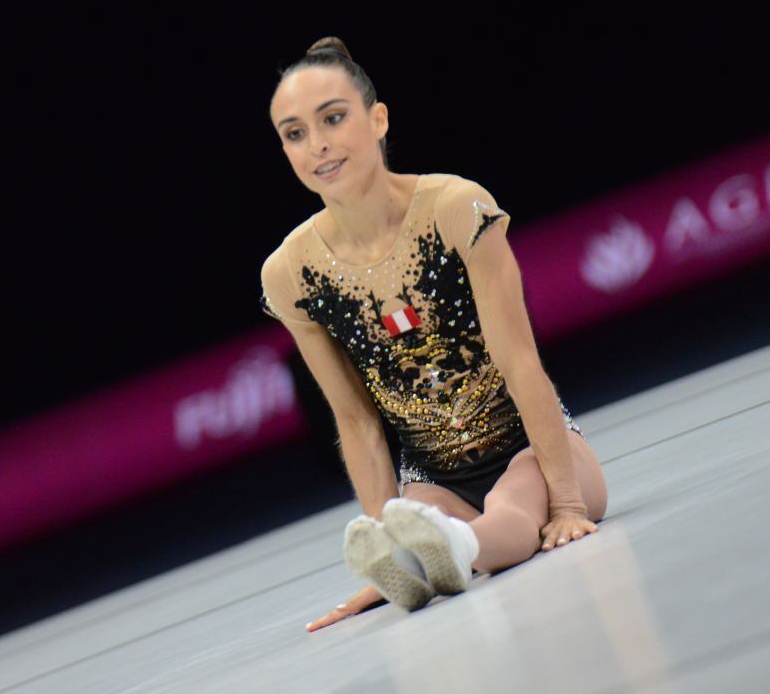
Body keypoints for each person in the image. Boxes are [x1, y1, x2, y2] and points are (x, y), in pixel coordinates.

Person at [259, 36, 609, 634]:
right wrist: (385, 540)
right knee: (418, 527)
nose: (316, 144)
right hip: (434, 480)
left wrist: (569, 504)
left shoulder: (455, 206)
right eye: (294, 133)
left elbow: (519, 359)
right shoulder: (291, 272)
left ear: (377, 119)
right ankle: (427, 551)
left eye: (333, 118)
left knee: (513, 508)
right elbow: (355, 420)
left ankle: (458, 550)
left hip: (536, 449)